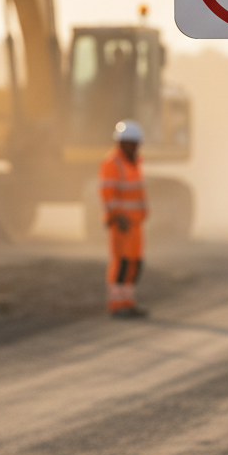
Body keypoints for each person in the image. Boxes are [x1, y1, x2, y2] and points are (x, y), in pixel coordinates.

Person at [99, 119, 148, 317]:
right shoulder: (112, 163)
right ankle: (117, 305)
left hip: (135, 223)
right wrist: (116, 216)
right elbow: (107, 194)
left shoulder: (134, 163)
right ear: (123, 143)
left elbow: (137, 192)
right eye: (132, 143)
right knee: (122, 264)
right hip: (121, 224)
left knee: (136, 264)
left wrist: (143, 212)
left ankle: (128, 302)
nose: (135, 146)